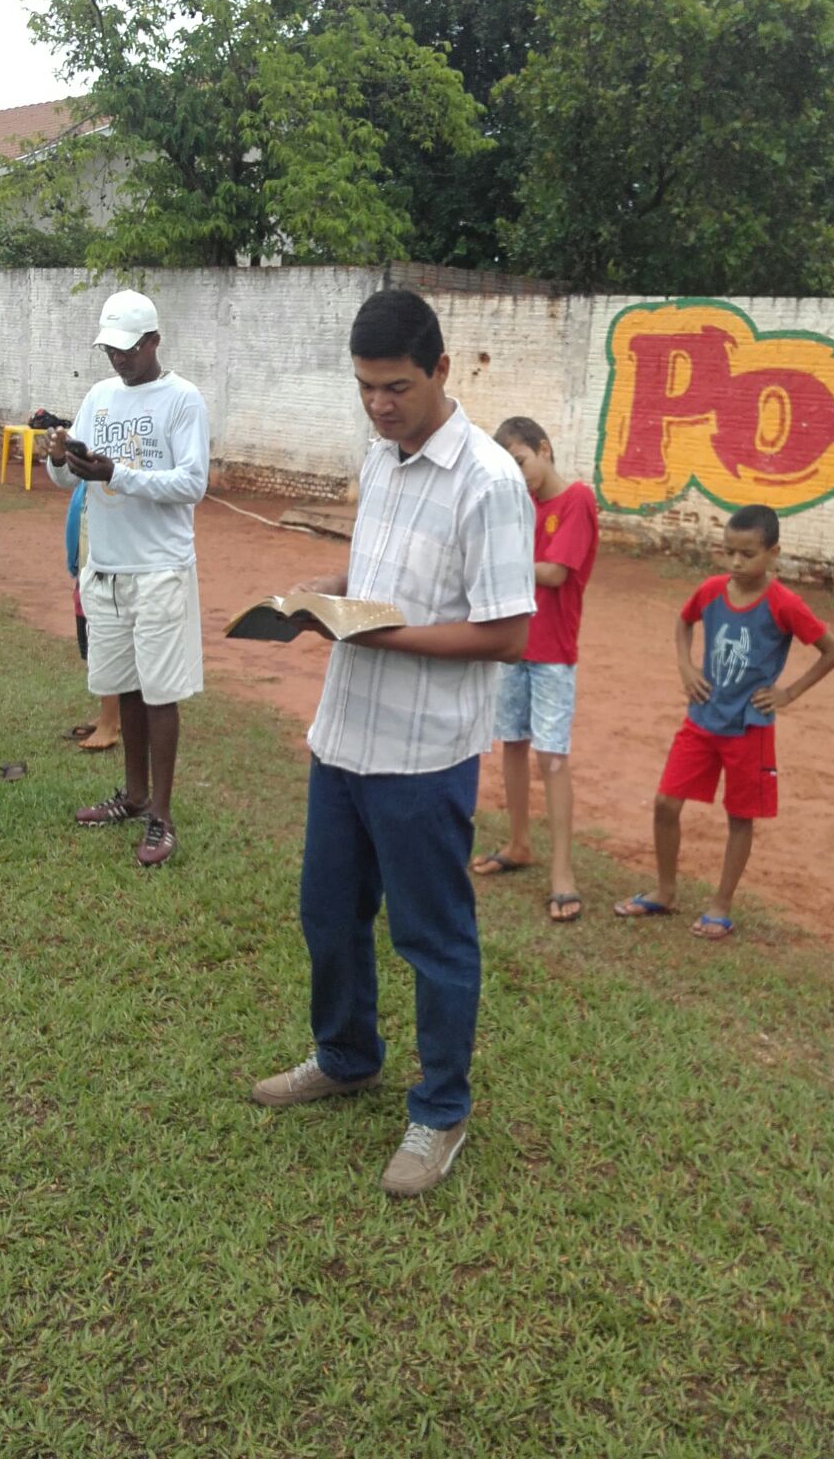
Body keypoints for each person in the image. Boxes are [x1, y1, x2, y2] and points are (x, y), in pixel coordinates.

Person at [251, 289, 536, 1197]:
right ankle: (346, 1056)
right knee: (328, 913)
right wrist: (322, 593)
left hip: (423, 754)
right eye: (365, 387)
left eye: (397, 387)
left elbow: (507, 633)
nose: (380, 405)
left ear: (441, 369)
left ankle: (441, 1112)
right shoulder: (381, 456)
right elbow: (380, 567)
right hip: (344, 737)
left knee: (432, 937)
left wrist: (382, 636)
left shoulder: (490, 483)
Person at [614, 505, 834, 939]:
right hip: (702, 719)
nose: (736, 563)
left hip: (749, 728)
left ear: (774, 553)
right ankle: (665, 891)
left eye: (748, 554)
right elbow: (684, 622)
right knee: (665, 803)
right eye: (729, 552)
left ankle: (720, 905)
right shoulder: (711, 590)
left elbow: (833, 651)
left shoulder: (784, 604)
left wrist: (789, 693)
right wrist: (686, 667)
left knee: (740, 817)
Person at [46, 288, 210, 866]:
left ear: (154, 341)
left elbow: (192, 483)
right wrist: (61, 457)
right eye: (110, 349)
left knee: (161, 694)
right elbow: (71, 481)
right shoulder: (99, 396)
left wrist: (119, 473)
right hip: (108, 570)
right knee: (128, 688)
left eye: (128, 348)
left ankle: (161, 815)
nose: (118, 358)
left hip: (160, 569)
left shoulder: (182, 399)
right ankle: (135, 796)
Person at [471, 417, 598, 924]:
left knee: (553, 758)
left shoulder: (577, 500)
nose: (518, 473)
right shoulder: (521, 503)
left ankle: (563, 872)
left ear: (544, 449)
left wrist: (495, 560)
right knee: (513, 746)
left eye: (521, 461)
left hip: (553, 656)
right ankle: (519, 842)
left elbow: (555, 573)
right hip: (513, 645)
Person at [64, 481, 120, 751]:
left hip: (105, 575)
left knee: (106, 647)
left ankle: (110, 723)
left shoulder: (111, 484)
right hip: (88, 571)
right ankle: (110, 714)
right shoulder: (85, 486)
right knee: (92, 647)